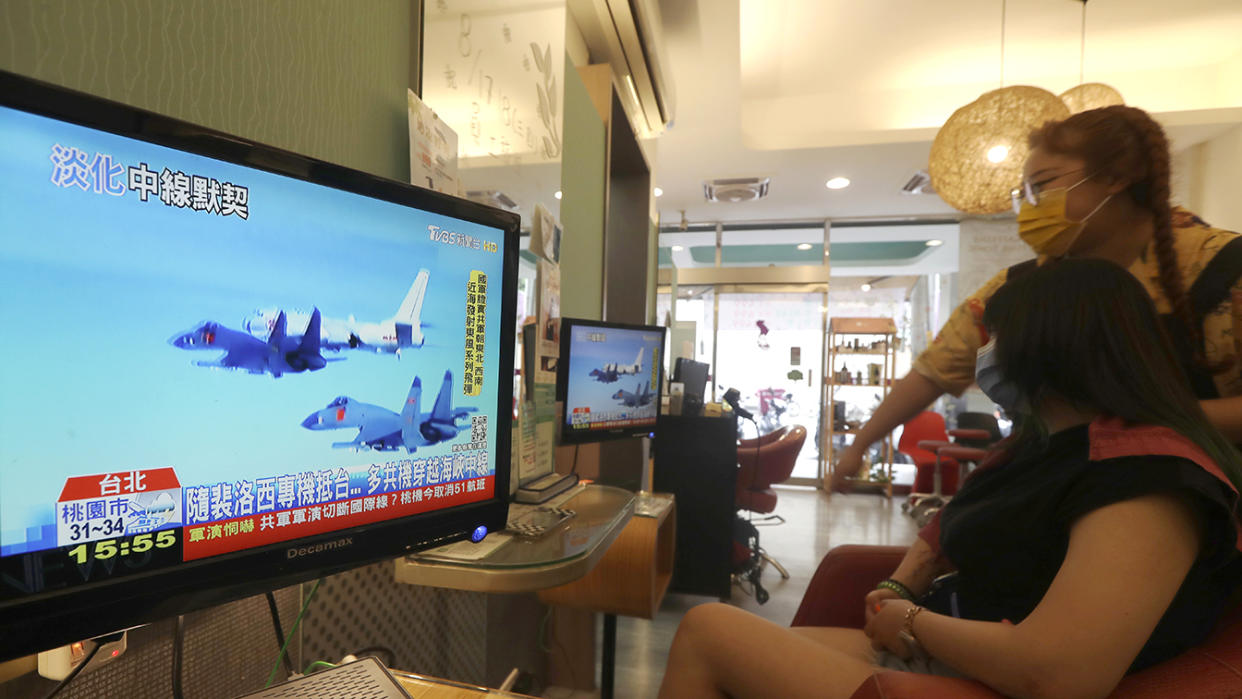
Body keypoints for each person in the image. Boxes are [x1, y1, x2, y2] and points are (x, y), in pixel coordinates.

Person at [658, 259, 1242, 699]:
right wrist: (899, 589)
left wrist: (913, 621)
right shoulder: (1046, 445)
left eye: (996, 339)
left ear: (1049, 345)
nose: (985, 355)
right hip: (949, 653)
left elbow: (1060, 671)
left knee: (709, 629)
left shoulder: (1147, 477)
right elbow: (951, 527)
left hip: (987, 681)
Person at [834, 105, 1242, 491]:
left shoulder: (1225, 269)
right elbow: (933, 372)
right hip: (1061, 498)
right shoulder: (1018, 287)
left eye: (1042, 186)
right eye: (1024, 193)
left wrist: (1135, 424)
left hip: (1208, 508)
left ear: (1117, 176)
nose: (1028, 208)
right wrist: (858, 445)